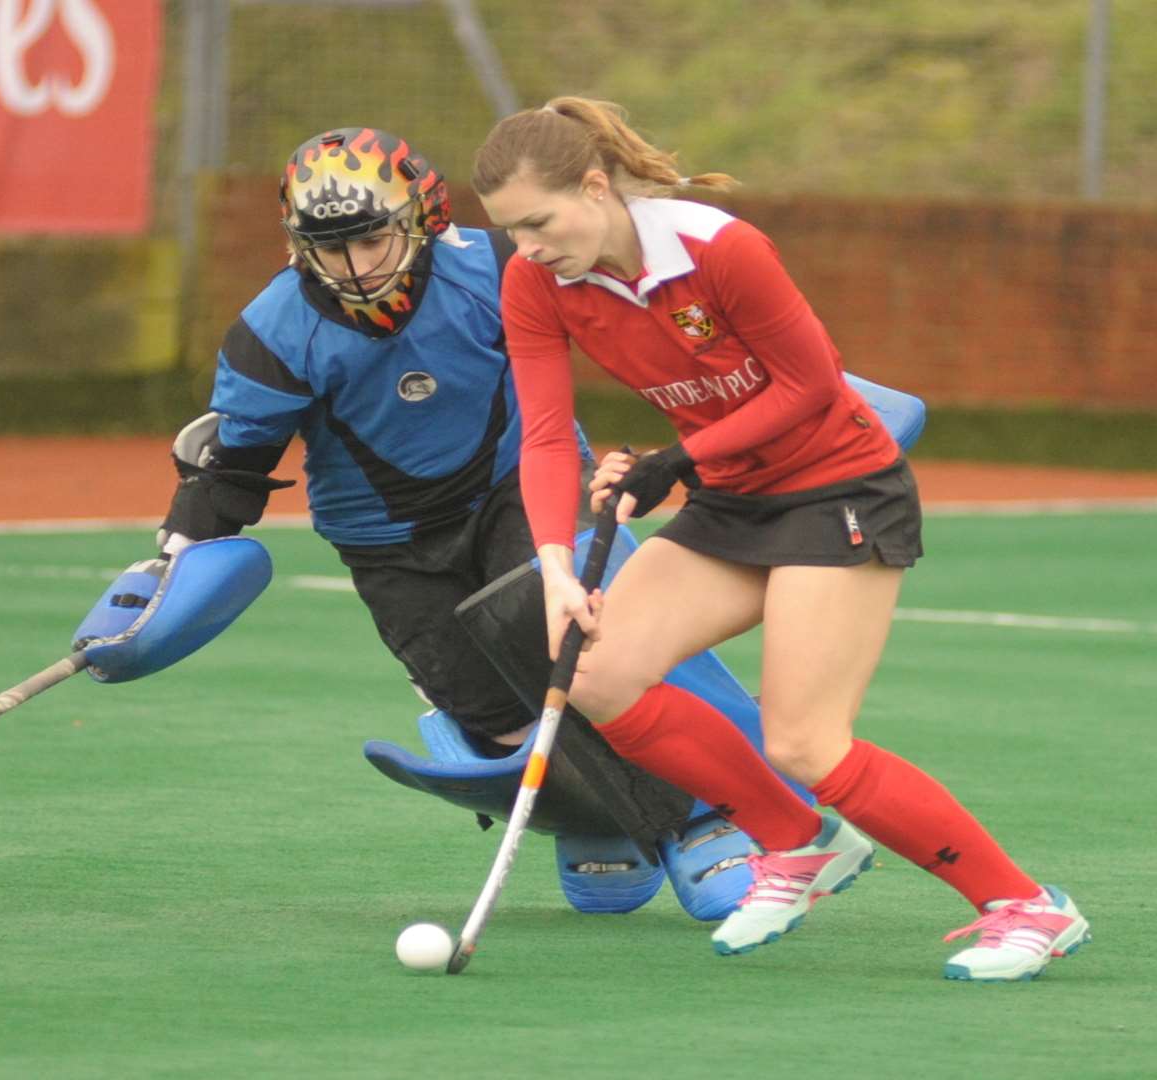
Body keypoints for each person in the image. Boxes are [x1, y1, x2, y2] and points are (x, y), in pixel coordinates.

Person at [472, 97, 1091, 981]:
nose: (526, 246)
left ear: (596, 186)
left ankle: (1026, 905)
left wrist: (674, 460)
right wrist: (556, 567)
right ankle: (800, 846)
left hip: (838, 490)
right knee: (594, 672)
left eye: (538, 221)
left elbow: (810, 385)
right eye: (509, 230)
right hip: (734, 501)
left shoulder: (720, 250)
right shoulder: (536, 281)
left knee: (805, 742)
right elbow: (540, 435)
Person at [102, 126, 770, 920]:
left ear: (421, 217)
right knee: (492, 720)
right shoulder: (271, 333)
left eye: (370, 238)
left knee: (580, 652)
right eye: (328, 247)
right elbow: (234, 470)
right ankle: (601, 823)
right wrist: (169, 563)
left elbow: (616, 325)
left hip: (520, 489)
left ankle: (698, 821)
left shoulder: (496, 267)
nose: (354, 266)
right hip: (385, 543)